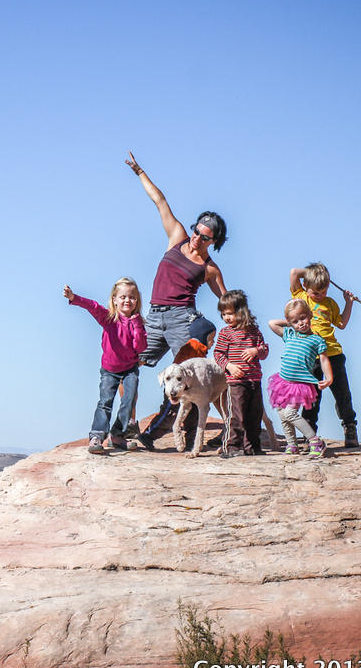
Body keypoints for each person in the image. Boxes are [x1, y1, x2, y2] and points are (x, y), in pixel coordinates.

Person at [124, 152, 227, 448]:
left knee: (187, 377)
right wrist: (139, 171)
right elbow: (160, 202)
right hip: (153, 318)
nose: (196, 238)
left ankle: (169, 430)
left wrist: (240, 333)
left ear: (214, 242)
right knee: (125, 363)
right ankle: (130, 425)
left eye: (205, 237)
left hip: (183, 318)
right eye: (197, 231)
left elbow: (226, 304)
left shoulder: (209, 269)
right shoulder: (178, 237)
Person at [64, 278, 147, 455]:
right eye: (123, 297)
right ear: (114, 300)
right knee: (105, 402)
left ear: (137, 301)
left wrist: (137, 324)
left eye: (132, 297)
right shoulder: (108, 318)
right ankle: (97, 436)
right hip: (110, 370)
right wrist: (74, 297)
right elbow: (92, 306)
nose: (127, 300)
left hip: (130, 368)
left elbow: (141, 347)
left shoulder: (137, 322)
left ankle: (117, 435)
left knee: (129, 400)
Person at [289, 263, 358, 446]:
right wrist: (318, 271)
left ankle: (350, 427)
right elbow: (294, 272)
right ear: (306, 287)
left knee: (342, 394)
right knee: (312, 397)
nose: (319, 296)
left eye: (324, 291)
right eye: (315, 292)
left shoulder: (330, 304)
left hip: (333, 354)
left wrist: (348, 303)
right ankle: (309, 435)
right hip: (311, 357)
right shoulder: (302, 299)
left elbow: (341, 324)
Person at [267, 300, 333, 457]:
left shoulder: (316, 340)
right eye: (295, 321)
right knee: (282, 414)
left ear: (310, 316)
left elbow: (324, 359)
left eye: (303, 318)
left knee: (290, 413)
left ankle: (315, 441)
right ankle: (292, 445)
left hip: (300, 384)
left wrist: (329, 378)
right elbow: (272, 323)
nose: (300, 324)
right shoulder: (290, 334)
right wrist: (290, 322)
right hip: (283, 382)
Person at [212, 290, 269, 457]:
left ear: (242, 311)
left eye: (230, 313)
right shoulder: (226, 333)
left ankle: (252, 447)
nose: (226, 317)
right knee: (236, 415)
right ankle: (231, 447)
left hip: (255, 380)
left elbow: (264, 352)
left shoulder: (255, 332)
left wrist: (256, 351)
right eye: (223, 314)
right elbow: (218, 354)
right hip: (236, 382)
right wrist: (229, 366)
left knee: (254, 414)